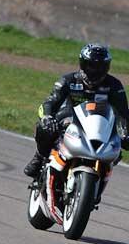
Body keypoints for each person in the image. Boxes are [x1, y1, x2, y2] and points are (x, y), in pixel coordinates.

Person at [24, 42, 129, 179]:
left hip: (101, 127)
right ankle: (39, 157)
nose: (95, 71)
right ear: (83, 64)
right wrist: (47, 117)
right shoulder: (68, 80)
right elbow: (50, 102)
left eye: (100, 67)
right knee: (45, 127)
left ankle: (100, 178)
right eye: (91, 66)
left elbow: (123, 113)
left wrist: (125, 132)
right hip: (69, 119)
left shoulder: (114, 86)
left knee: (121, 145)